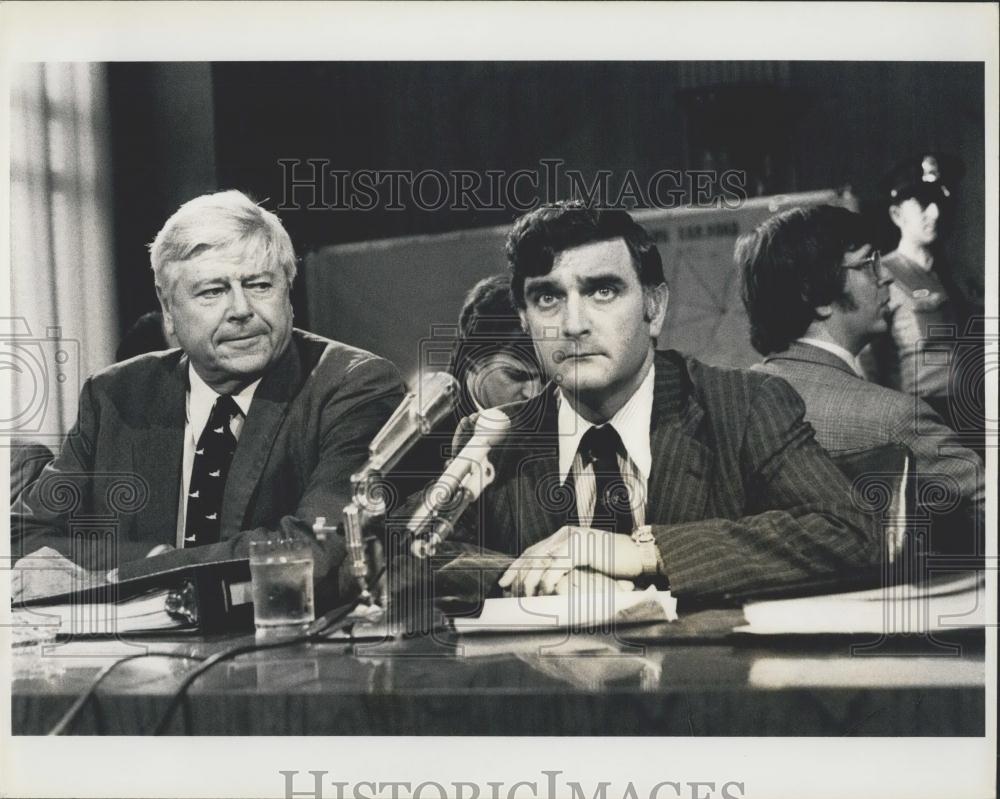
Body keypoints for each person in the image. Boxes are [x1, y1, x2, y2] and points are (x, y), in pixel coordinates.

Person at [424, 201, 877, 603]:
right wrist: (532, 575)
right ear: (524, 320)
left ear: (654, 308)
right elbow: (417, 555)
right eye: (548, 298)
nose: (573, 323)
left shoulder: (745, 406)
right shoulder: (494, 436)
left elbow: (853, 532)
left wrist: (646, 551)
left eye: (603, 291)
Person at [11, 190, 404, 601]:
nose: (241, 309)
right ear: (168, 309)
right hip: (129, 656)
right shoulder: (114, 397)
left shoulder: (354, 386)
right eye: (212, 291)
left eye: (259, 284)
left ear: (288, 292)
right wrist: (156, 558)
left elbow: (315, 550)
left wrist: (130, 575)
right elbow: (21, 536)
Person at [738, 205, 983, 552]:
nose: (885, 277)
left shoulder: (734, 405)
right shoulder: (897, 419)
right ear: (818, 296)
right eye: (868, 264)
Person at [860, 153, 967, 418]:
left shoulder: (955, 274)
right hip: (921, 416)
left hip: (968, 410)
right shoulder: (882, 274)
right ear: (897, 215)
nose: (935, 212)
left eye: (940, 201)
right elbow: (867, 365)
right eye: (923, 202)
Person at [449, 274, 542, 415]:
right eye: (516, 375)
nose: (534, 394)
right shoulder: (426, 430)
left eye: (546, 378)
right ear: (473, 362)